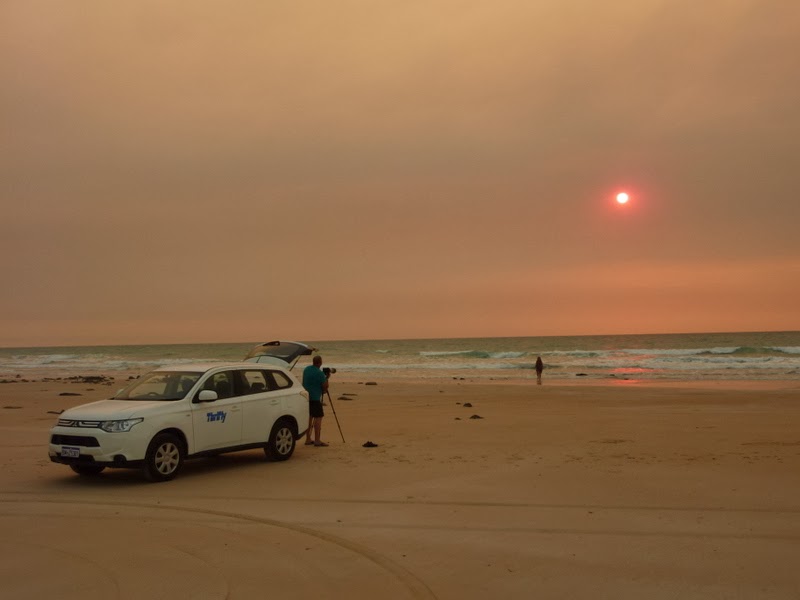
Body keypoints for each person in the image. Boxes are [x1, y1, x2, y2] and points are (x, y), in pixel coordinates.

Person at [303, 355, 329, 447]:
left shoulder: (306, 369)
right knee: (318, 417)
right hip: (315, 398)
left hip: (306, 397)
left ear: (313, 362)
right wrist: (327, 378)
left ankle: (308, 438)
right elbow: (325, 388)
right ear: (320, 362)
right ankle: (317, 440)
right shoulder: (319, 373)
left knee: (309, 418)